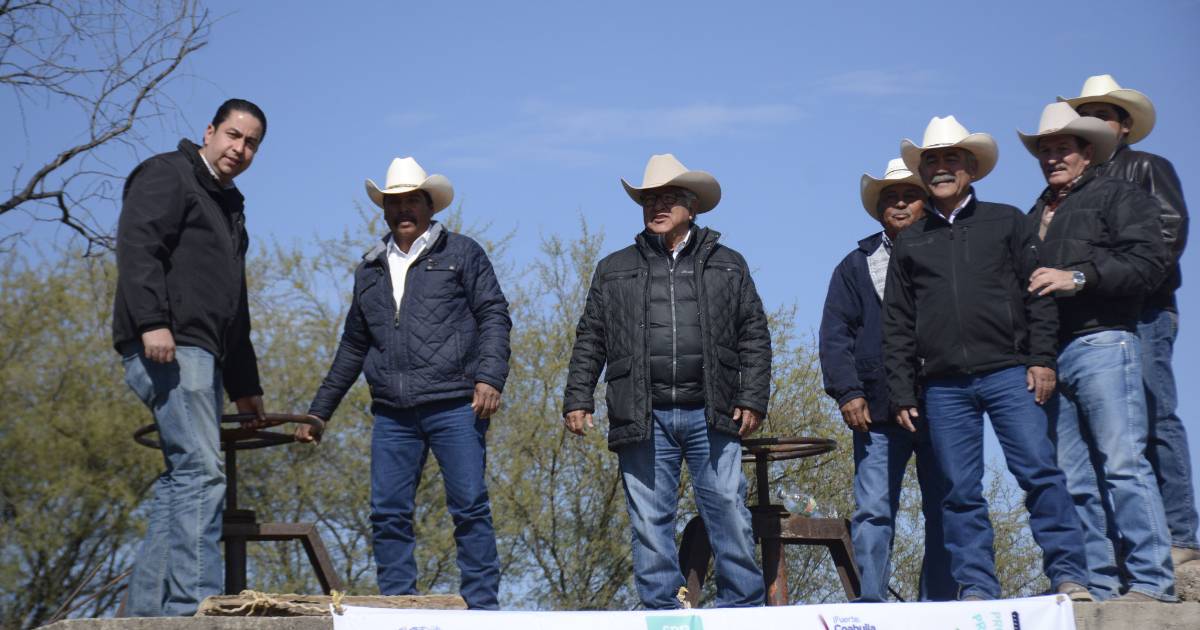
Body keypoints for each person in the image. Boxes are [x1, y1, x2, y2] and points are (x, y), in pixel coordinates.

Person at [884, 116, 1091, 601]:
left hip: (1010, 373)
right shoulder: (911, 241)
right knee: (959, 491)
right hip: (943, 386)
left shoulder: (1007, 221)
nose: (941, 168)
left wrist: (1042, 359)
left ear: (971, 168)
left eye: (951, 158)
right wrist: (901, 390)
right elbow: (897, 322)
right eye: (931, 160)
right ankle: (976, 587)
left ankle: (1070, 576)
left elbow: (1038, 294)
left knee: (1039, 473)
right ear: (923, 172)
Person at [301, 157, 511, 610]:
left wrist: (489, 377)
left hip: (456, 404)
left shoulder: (462, 253)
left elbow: (494, 314)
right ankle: (398, 606)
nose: (403, 210)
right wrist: (319, 412)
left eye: (412, 201)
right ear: (384, 210)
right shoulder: (369, 269)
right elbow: (353, 346)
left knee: (470, 506)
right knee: (388, 513)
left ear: (430, 205)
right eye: (394, 202)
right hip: (392, 413)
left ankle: (482, 609)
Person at [562, 154, 770, 609]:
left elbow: (754, 334)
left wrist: (753, 397)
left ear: (691, 208)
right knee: (649, 519)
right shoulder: (613, 269)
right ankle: (663, 609)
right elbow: (591, 337)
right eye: (649, 199)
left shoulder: (729, 265)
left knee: (728, 509)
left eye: (668, 198)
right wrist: (578, 397)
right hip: (642, 412)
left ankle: (742, 607)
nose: (657, 206)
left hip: (712, 412)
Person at [113, 99, 269, 616]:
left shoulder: (229, 205)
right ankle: (194, 606)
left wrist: (246, 385)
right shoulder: (168, 174)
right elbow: (139, 247)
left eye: (250, 143)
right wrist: (152, 321)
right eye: (233, 135)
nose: (239, 148)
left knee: (183, 477)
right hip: (170, 345)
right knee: (202, 472)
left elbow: (234, 303)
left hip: (206, 353)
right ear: (209, 131)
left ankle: (147, 615)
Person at [1020, 102, 1175, 602]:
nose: (1052, 157)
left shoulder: (1119, 195)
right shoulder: (1034, 214)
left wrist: (1079, 277)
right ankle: (1099, 585)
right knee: (1072, 478)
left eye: (1062, 148)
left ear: (1087, 152)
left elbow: (1149, 263)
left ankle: (1152, 582)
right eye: (1045, 150)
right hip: (1050, 355)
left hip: (1104, 340)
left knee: (1123, 463)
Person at [1060, 75, 1197, 568]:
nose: (1094, 122)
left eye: (1104, 114)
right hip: (1097, 322)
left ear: (1124, 125)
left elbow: (1168, 233)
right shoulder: (1072, 186)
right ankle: (1125, 543)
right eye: (1087, 116)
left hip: (1145, 312)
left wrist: (1122, 284)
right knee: (1108, 436)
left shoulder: (1146, 167)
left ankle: (1180, 532)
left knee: (1155, 415)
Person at [820, 158, 954, 602]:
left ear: (925, 203)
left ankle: (939, 604)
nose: (899, 204)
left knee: (947, 507)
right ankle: (872, 603)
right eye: (890, 198)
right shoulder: (855, 266)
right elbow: (835, 335)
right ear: (879, 211)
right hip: (877, 410)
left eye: (909, 196)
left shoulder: (949, 253)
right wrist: (848, 392)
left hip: (942, 402)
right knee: (874, 511)